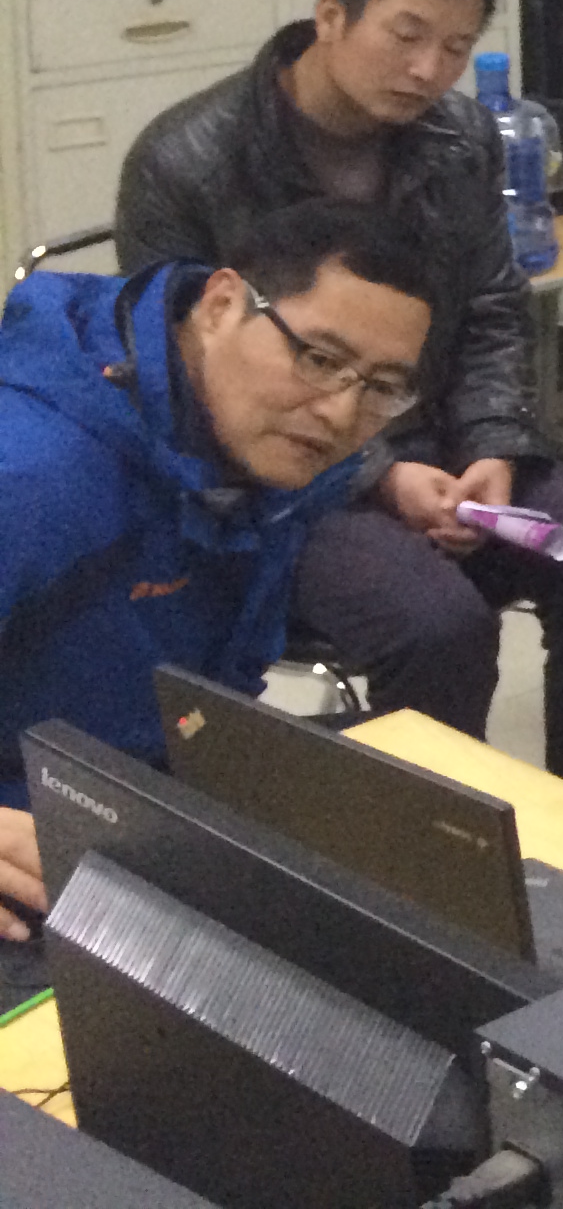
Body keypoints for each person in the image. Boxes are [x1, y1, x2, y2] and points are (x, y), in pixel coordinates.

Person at [114, 0, 563, 810]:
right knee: (438, 626)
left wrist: (494, 442)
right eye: (406, 35)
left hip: (441, 429)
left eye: (456, 48)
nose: (428, 70)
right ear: (331, 15)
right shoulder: (186, 160)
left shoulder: (459, 137)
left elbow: (491, 309)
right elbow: (187, 382)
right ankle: (427, 868)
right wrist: (377, 474)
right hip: (277, 472)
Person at [2, 201, 433, 944]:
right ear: (220, 305)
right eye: (317, 358)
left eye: (382, 385)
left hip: (145, 795)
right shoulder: (35, 472)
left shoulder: (265, 451)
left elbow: (221, 683)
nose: (340, 414)